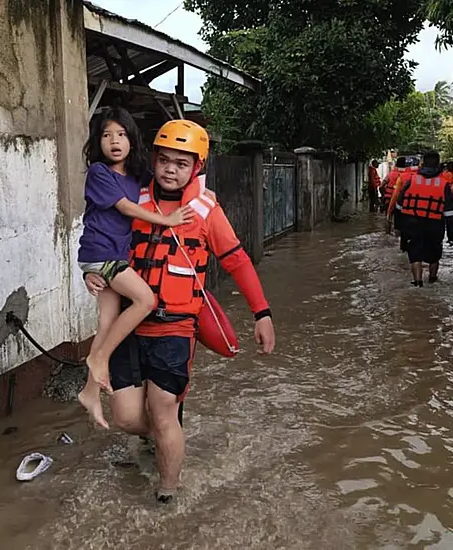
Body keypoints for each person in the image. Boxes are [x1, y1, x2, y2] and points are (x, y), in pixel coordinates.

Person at [84, 120, 276, 502]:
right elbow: (100, 238)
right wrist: (92, 272)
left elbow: (237, 261)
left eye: (182, 163)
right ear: (153, 160)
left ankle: (167, 493)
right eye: (165, 160)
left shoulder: (206, 210)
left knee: (163, 409)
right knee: (124, 417)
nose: (171, 170)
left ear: (197, 167)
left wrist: (262, 313)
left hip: (174, 329)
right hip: (129, 326)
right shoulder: (131, 197)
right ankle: (160, 433)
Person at [76, 108, 195, 429]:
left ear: (132, 139)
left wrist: (202, 192)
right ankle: (99, 361)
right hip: (103, 254)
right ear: (96, 141)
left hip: (109, 258)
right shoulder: (100, 173)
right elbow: (126, 208)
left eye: (121, 134)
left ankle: (89, 391)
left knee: (107, 321)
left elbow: (168, 179)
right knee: (145, 300)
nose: (114, 141)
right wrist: (168, 220)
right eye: (105, 135)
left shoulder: (136, 176)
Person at [393, 151, 453, 286]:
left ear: (422, 163)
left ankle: (417, 282)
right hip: (434, 225)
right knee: (434, 253)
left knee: (414, 253)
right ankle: (433, 280)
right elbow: (450, 213)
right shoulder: (444, 184)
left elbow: (399, 205)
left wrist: (398, 227)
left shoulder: (412, 180)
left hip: (412, 223)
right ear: (438, 164)